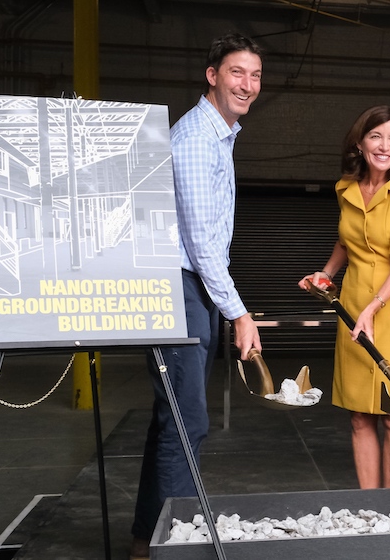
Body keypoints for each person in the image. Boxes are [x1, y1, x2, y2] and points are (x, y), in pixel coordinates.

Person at [130, 33, 263, 560]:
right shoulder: (195, 140)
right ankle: (170, 548)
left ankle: (148, 541)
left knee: (176, 420)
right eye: (236, 73)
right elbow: (203, 242)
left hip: (193, 290)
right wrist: (239, 312)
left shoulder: (221, 136)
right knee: (188, 423)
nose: (247, 85)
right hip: (178, 289)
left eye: (254, 75)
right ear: (212, 75)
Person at [299, 106, 390, 490]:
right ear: (360, 142)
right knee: (359, 414)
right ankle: (368, 505)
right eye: (376, 136)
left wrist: (373, 308)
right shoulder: (346, 189)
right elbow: (347, 240)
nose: (385, 146)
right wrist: (327, 273)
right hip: (354, 300)